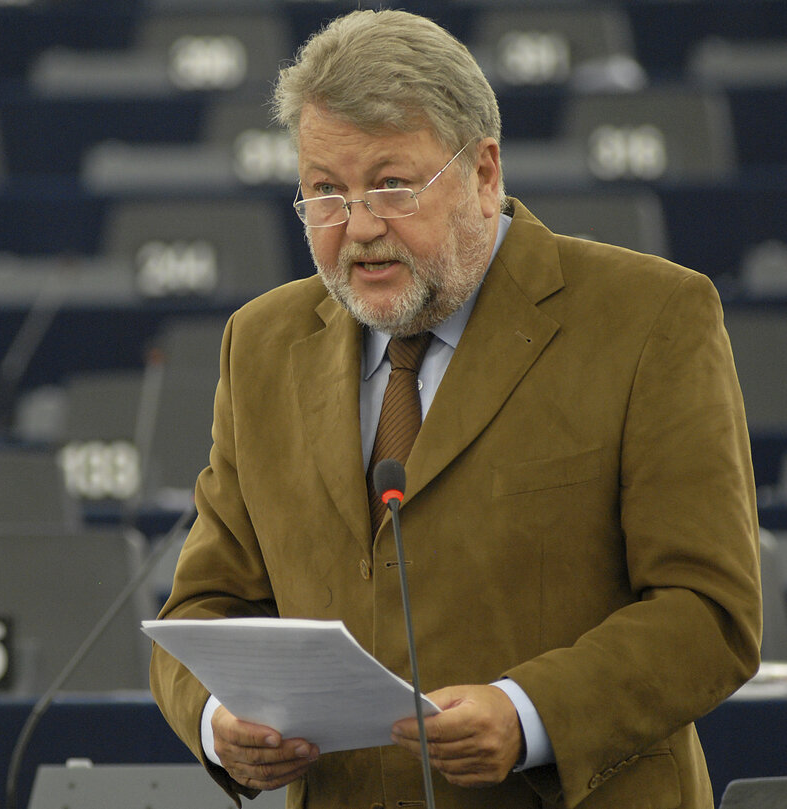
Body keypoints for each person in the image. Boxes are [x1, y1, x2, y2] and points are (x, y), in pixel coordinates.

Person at [148, 9, 763, 809]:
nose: (359, 228)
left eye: (391, 185)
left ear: (482, 172)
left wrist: (527, 712)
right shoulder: (261, 343)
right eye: (324, 193)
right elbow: (204, 607)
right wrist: (217, 719)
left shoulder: (650, 317)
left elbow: (709, 612)